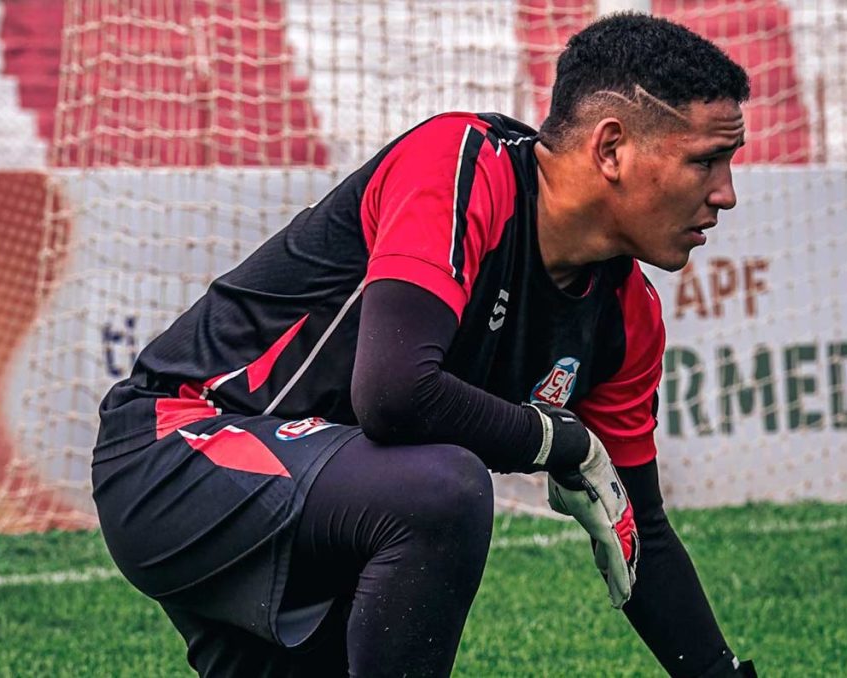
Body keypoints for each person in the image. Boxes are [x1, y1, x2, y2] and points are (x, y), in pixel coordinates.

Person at [92, 12, 756, 677]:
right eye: (706, 160)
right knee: (443, 490)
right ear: (611, 149)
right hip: (176, 450)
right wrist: (561, 441)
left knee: (430, 492)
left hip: (324, 505)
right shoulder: (463, 163)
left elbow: (640, 529)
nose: (725, 194)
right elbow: (393, 394)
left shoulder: (630, 315)